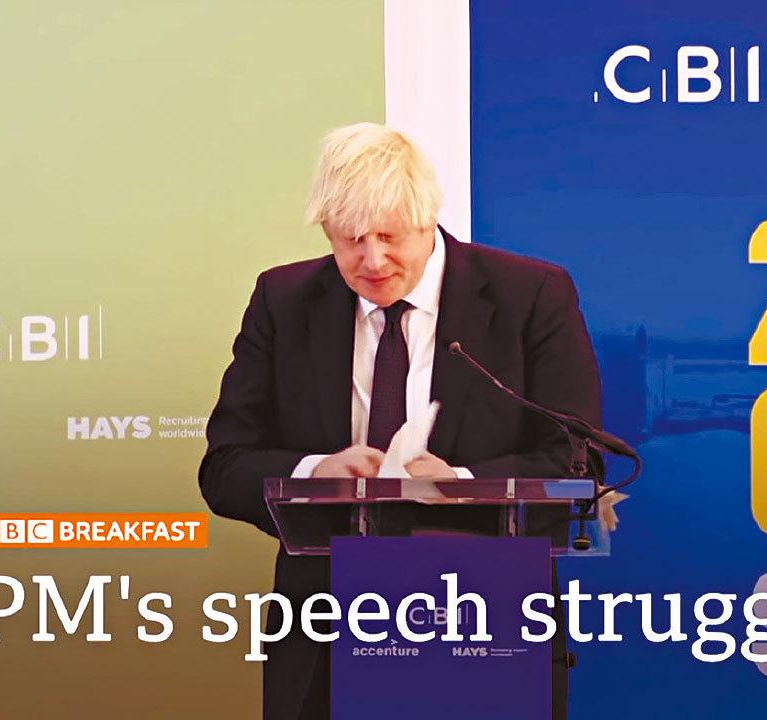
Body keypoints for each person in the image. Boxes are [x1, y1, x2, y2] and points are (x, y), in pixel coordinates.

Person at [198, 122, 602, 720]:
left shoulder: (530, 295)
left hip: (488, 619)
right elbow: (225, 466)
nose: (371, 260)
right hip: (326, 632)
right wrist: (315, 472)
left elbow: (577, 461)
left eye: (389, 237)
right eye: (350, 240)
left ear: (427, 218)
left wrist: (460, 486)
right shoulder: (283, 300)